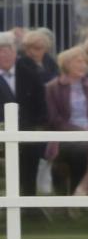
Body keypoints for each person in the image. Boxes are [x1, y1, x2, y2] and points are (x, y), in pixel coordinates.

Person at [45, 46, 88, 201]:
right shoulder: (52, 88)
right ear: (66, 64)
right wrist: (82, 130)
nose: (83, 65)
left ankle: (86, 185)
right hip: (65, 138)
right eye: (78, 61)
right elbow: (55, 120)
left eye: (84, 61)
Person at [0, 32, 48, 197]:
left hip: (27, 131)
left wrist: (34, 128)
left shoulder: (29, 73)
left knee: (32, 149)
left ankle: (28, 200)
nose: (4, 54)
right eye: (0, 50)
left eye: (7, 50)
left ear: (15, 53)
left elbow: (41, 106)